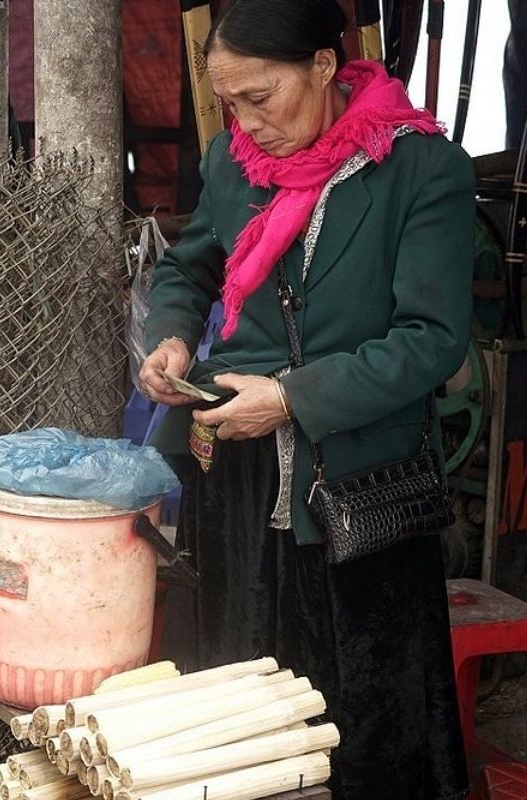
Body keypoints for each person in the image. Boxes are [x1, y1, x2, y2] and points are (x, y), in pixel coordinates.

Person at [138, 1, 472, 797]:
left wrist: (291, 398)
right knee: (243, 701)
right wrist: (173, 335)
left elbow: (430, 340)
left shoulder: (420, 169)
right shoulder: (230, 162)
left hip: (364, 480)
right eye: (231, 104)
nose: (246, 123)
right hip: (243, 477)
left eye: (262, 96)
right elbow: (189, 267)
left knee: (369, 714)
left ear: (324, 65)